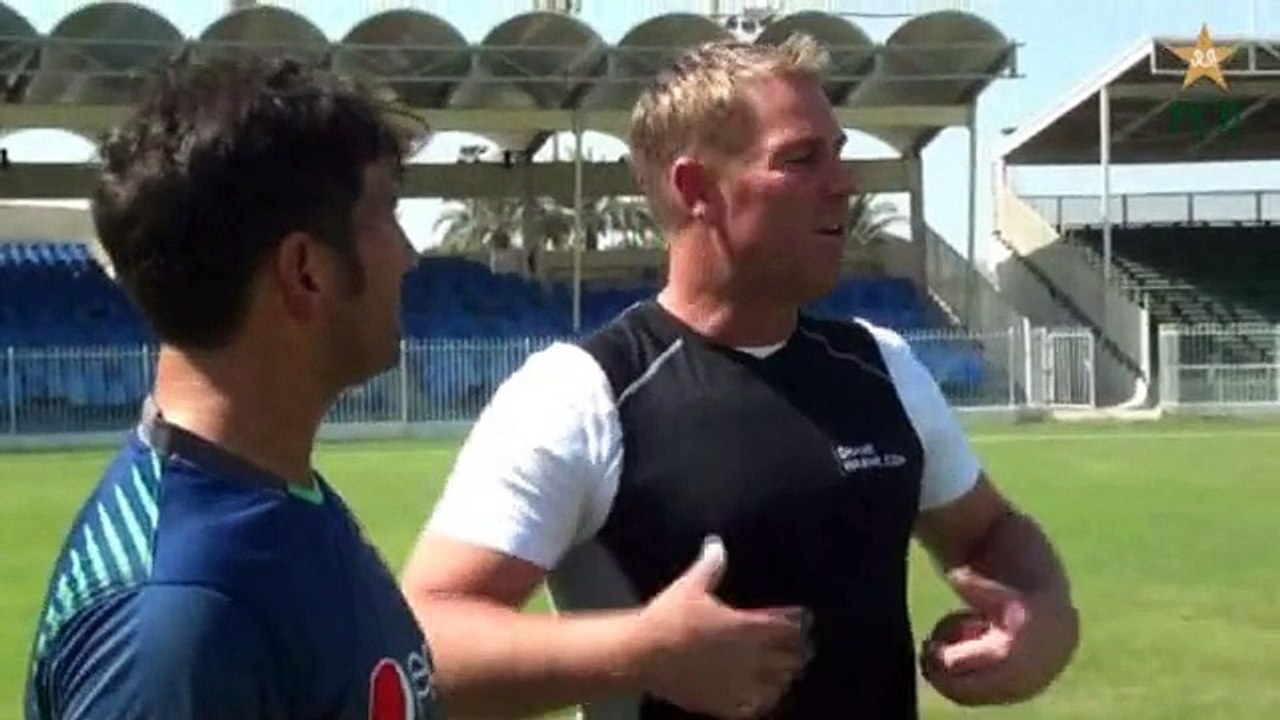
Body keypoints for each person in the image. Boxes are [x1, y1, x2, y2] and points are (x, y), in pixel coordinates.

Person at [401, 33, 1079, 719]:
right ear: (698, 189)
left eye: (838, 155)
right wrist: (637, 651)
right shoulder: (583, 395)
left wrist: (1044, 616)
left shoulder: (883, 368)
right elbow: (426, 640)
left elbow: (989, 532)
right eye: (801, 160)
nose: (844, 184)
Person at [24, 55, 443, 720]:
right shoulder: (176, 620)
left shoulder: (276, 497)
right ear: (305, 272)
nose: (409, 254)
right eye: (387, 214)